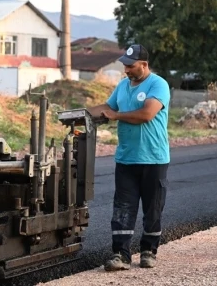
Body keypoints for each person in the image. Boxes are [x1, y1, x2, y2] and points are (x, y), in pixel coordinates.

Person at [86, 44, 170, 271]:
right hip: (126, 159)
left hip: (153, 158)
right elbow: (107, 107)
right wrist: (81, 114)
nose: (126, 70)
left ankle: (148, 252)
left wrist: (116, 116)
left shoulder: (158, 84)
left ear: (144, 64)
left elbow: (147, 114)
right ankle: (120, 255)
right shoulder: (123, 86)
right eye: (124, 65)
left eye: (130, 66)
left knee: (152, 209)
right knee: (123, 209)